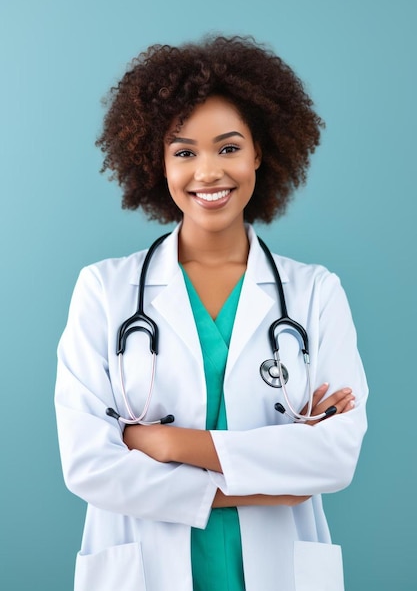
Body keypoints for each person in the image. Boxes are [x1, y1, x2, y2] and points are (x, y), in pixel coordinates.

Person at [55, 35, 368, 591]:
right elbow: (89, 465)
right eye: (184, 152)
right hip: (143, 568)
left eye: (228, 148)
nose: (208, 172)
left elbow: (335, 459)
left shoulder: (315, 293)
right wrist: (269, 480)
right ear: (158, 161)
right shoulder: (104, 290)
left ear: (259, 154)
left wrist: (169, 445)